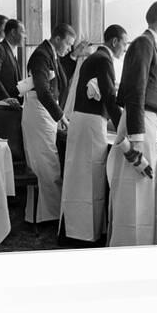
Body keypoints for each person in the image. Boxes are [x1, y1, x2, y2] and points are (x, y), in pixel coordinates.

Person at [106, 1, 157, 247]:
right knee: (136, 188)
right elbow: (136, 92)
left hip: (145, 124)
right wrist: (136, 141)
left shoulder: (149, 46)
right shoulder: (143, 44)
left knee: (141, 191)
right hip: (141, 125)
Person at [60, 24, 128, 242]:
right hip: (89, 124)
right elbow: (108, 95)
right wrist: (123, 130)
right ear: (114, 41)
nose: (124, 49)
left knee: (80, 178)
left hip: (83, 122)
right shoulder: (103, 59)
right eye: (124, 43)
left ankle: (77, 231)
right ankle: (84, 235)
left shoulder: (96, 58)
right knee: (89, 178)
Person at [21, 23, 78, 223]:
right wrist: (61, 116)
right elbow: (43, 90)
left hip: (43, 112)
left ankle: (41, 215)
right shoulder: (41, 56)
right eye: (68, 44)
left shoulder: (50, 54)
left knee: (46, 164)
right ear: (57, 39)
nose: (69, 48)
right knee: (46, 165)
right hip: (39, 113)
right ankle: (50, 217)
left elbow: (59, 80)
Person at [0, 19, 25, 107]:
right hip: (0, 106)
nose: (25, 36)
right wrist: (7, 99)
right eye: (22, 32)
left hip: (12, 106)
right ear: (13, 32)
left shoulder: (11, 51)